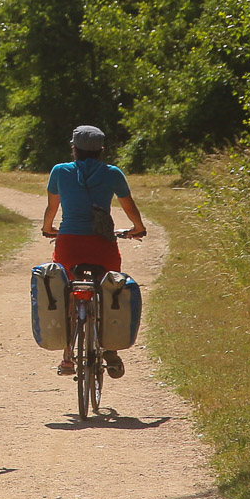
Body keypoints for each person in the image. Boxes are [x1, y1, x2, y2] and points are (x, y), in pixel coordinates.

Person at [42, 124, 146, 377]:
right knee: (111, 290)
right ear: (101, 150)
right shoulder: (113, 173)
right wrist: (138, 227)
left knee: (67, 290)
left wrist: (49, 229)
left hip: (69, 244)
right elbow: (129, 206)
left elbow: (52, 208)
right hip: (103, 244)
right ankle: (110, 347)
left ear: (74, 149)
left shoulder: (60, 171)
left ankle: (67, 356)